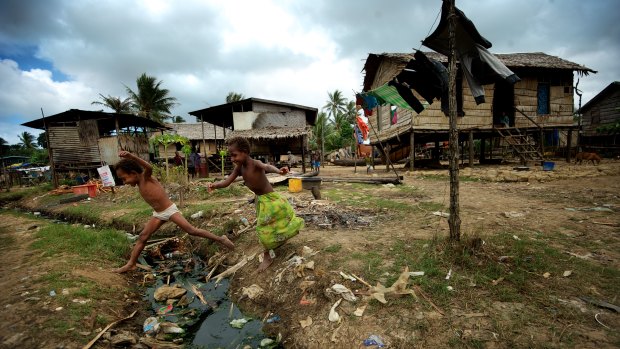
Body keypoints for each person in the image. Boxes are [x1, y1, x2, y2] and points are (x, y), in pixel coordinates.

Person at [113, 151, 234, 273]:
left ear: (133, 173)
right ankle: (131, 264)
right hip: (158, 214)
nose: (124, 182)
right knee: (143, 236)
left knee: (191, 230)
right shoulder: (139, 184)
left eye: (124, 179)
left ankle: (221, 239)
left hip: (169, 210)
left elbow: (149, 167)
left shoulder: (146, 177)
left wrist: (132, 156)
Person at [209, 137, 304, 271]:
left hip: (271, 200)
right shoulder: (239, 169)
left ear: (245, 152)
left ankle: (267, 256)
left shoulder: (255, 163)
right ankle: (276, 243)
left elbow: (267, 167)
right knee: (269, 225)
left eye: (234, 155)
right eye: (231, 155)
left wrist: (278, 171)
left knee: (262, 228)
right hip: (260, 201)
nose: (232, 158)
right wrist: (214, 185)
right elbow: (226, 182)